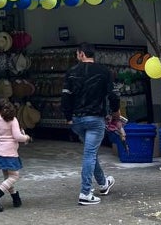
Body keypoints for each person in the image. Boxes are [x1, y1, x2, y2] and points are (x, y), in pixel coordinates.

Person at [61, 42, 120, 206]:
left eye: (76, 53)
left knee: (90, 153)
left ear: (81, 54)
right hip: (95, 119)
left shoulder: (71, 72)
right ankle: (85, 192)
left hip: (77, 120)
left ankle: (103, 183)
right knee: (89, 154)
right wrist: (115, 113)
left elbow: (66, 97)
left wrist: (68, 117)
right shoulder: (104, 71)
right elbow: (113, 96)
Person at [0, 97, 31, 211]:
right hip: (9, 152)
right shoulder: (13, 120)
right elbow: (17, 137)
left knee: (7, 177)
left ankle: (16, 198)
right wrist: (27, 137)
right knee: (14, 176)